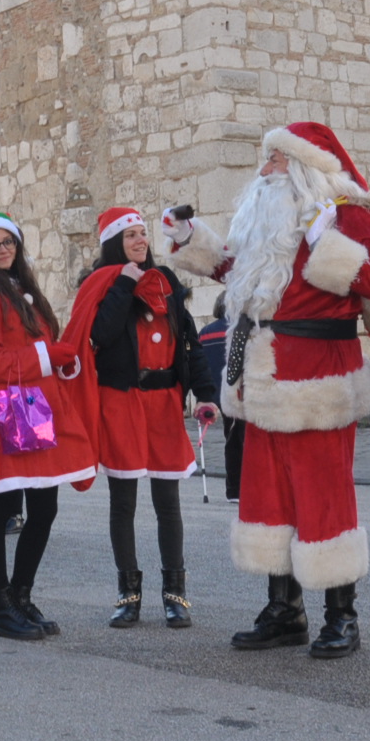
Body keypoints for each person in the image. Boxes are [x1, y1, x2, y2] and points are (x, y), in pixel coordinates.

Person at [165, 121, 370, 660]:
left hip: (318, 377)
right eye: (265, 160)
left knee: (323, 494)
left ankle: (342, 615)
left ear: (304, 168)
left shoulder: (350, 212)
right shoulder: (267, 218)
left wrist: (323, 239)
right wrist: (188, 239)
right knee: (269, 494)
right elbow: (241, 272)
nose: (264, 170)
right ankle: (284, 609)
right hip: (263, 376)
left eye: (274, 160)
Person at [0, 211, 98, 641]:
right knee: (0, 509)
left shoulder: (23, 289)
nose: (3, 249)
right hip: (7, 406)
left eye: (9, 242)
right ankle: (0, 605)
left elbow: (39, 348)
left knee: (44, 508)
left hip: (33, 403)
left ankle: (20, 595)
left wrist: (61, 358)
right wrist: (46, 355)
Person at [79, 207, 220, 628]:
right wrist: (124, 284)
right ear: (114, 244)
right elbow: (99, 335)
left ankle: (175, 593)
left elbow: (189, 343)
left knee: (167, 503)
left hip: (163, 401)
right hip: (121, 400)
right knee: (123, 503)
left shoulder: (168, 283)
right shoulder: (101, 283)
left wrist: (205, 394)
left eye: (143, 234)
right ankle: (129, 593)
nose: (142, 241)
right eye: (131, 236)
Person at [196, 296, 242, 502]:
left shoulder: (205, 332)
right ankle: (237, 489)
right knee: (241, 442)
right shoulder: (238, 329)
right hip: (238, 392)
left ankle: (234, 489)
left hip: (214, 395)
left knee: (231, 439)